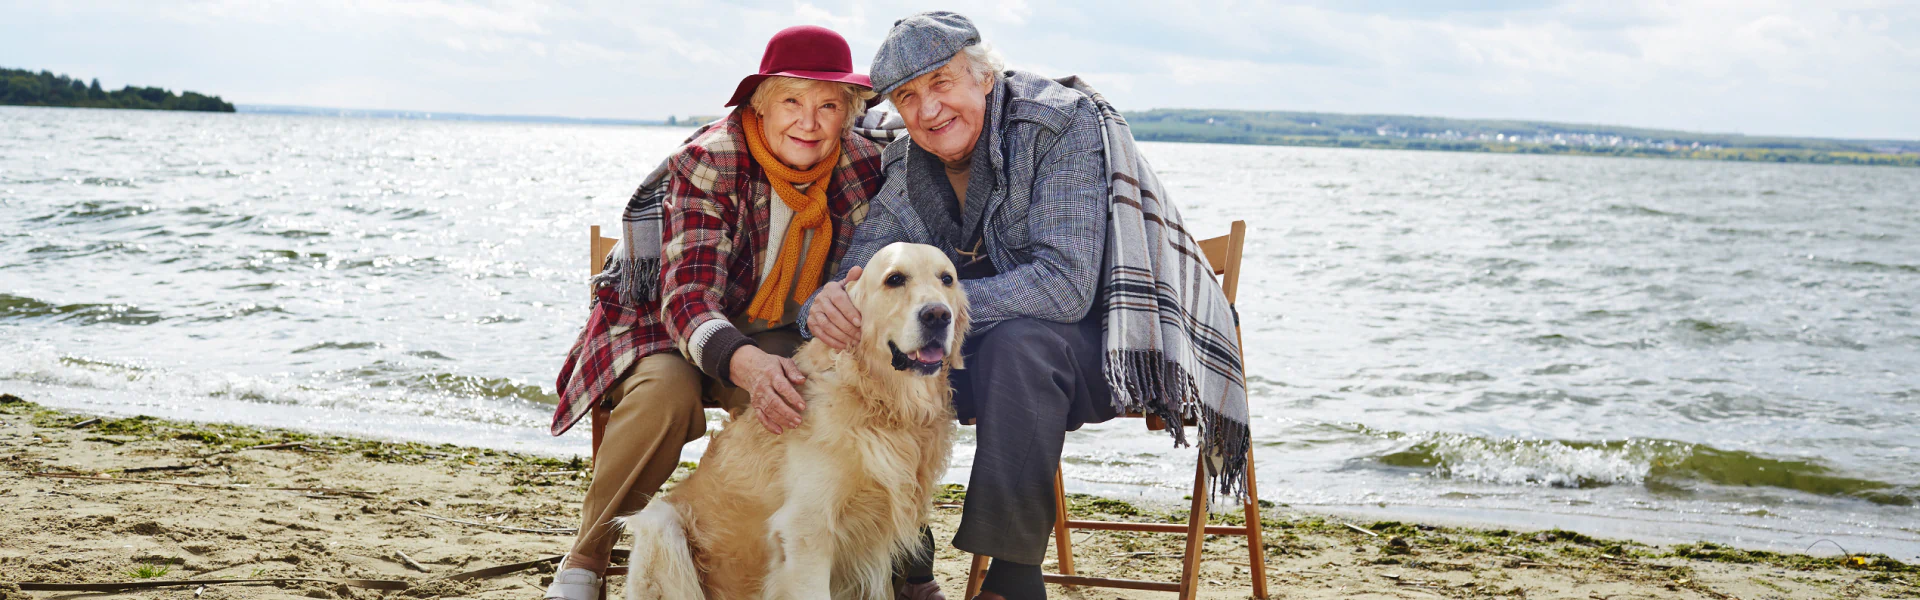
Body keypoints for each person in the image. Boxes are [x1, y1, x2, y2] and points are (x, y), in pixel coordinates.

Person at [543, 24, 899, 600]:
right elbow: (686, 299)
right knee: (666, 395)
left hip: (784, 330)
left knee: (827, 396)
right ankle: (585, 558)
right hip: (669, 325)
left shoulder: (863, 164)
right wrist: (748, 366)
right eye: (791, 101)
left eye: (828, 105)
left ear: (851, 112)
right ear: (760, 104)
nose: (808, 122)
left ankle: (822, 555)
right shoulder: (711, 160)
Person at [802, 11, 1117, 600]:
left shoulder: (1056, 125)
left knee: (1012, 344)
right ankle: (908, 563)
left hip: (1080, 354)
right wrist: (825, 305)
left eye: (942, 83)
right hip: (963, 361)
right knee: (880, 362)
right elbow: (866, 270)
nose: (927, 110)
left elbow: (1065, 284)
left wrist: (934, 311)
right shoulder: (907, 164)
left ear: (985, 77)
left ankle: (1013, 579)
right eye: (908, 96)